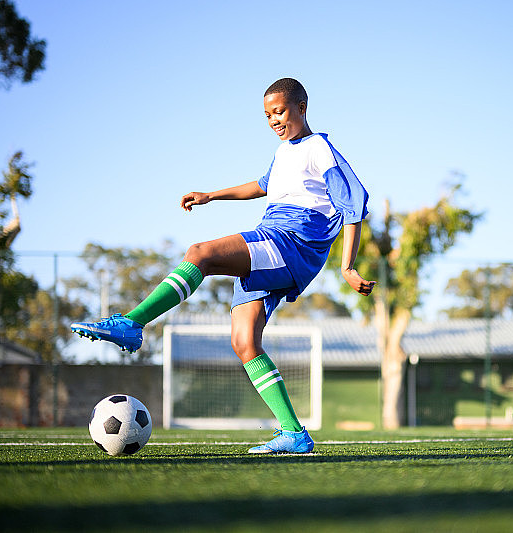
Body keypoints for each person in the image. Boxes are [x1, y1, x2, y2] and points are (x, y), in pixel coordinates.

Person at [71, 78, 375, 454]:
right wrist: (210, 195)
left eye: (279, 112)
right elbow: (263, 186)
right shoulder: (284, 153)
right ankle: (294, 434)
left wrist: (347, 267)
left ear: (301, 107)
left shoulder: (319, 148)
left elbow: (355, 204)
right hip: (272, 238)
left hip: (292, 241)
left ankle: (132, 324)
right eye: (267, 115)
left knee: (200, 253)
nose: (273, 121)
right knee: (244, 342)